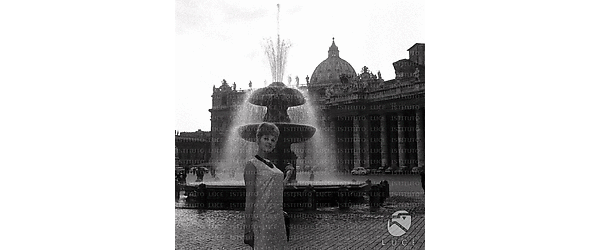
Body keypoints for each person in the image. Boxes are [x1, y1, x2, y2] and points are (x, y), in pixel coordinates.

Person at [244, 122, 287, 249]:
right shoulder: (252, 165)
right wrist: (247, 229)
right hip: (262, 221)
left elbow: (275, 189)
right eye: (266, 138)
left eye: (273, 140)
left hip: (278, 220)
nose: (269, 142)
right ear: (258, 139)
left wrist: (288, 175)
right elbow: (250, 198)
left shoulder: (271, 165)